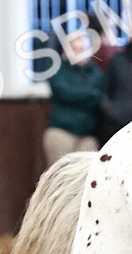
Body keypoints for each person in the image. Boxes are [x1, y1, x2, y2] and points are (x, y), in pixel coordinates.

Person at [43, 32, 105, 166]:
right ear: (66, 50)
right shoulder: (58, 70)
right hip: (61, 132)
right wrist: (89, 94)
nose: (79, 53)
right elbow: (63, 92)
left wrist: (78, 95)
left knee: (86, 178)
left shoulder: (96, 72)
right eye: (75, 49)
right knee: (60, 177)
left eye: (82, 49)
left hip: (88, 135)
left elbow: (99, 97)